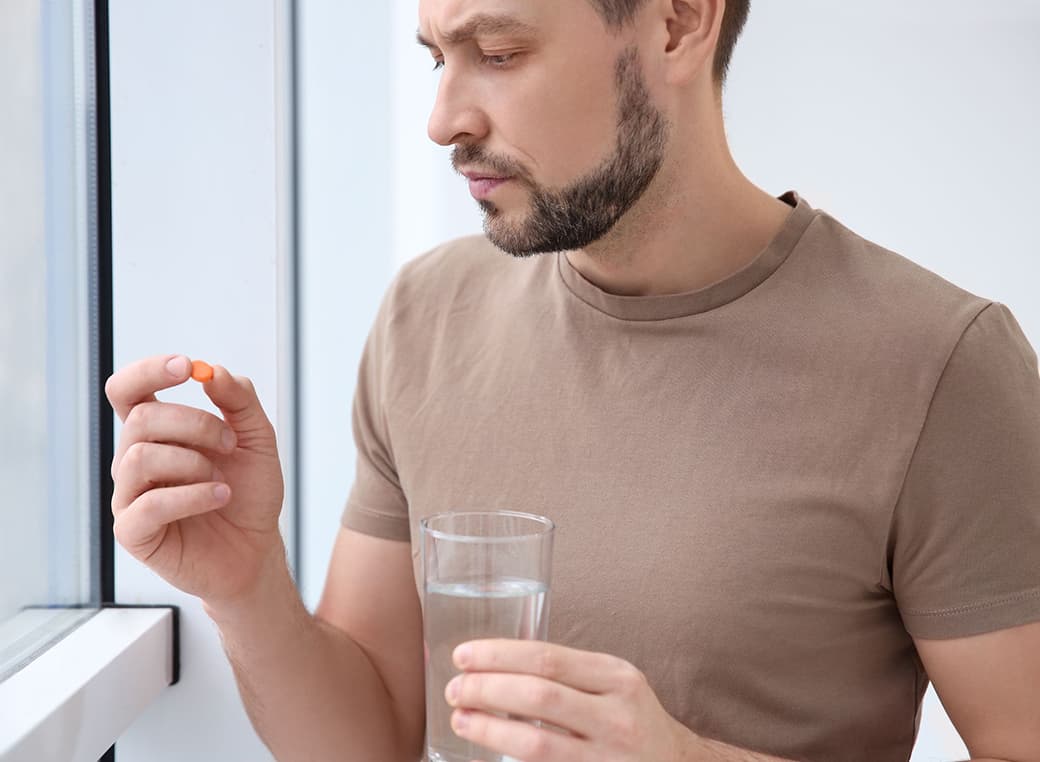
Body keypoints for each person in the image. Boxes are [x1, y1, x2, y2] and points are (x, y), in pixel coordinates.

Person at [105, 0, 1040, 760]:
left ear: (677, 23)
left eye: (500, 52)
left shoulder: (944, 363)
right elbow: (377, 740)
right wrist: (247, 587)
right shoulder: (425, 318)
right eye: (438, 58)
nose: (445, 120)